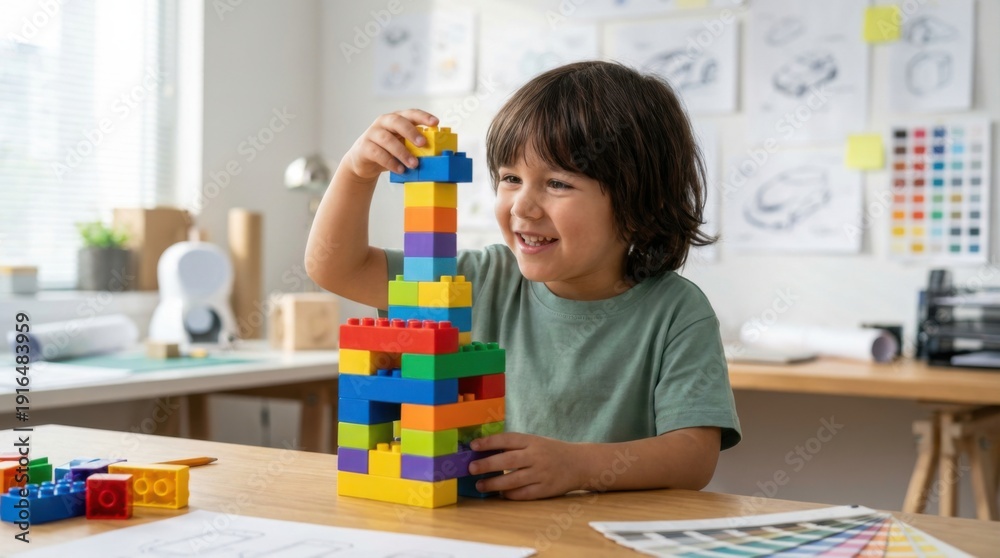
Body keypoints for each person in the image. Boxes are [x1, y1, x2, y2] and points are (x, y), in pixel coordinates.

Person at [306, 61, 740, 501]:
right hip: (488, 531)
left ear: (639, 205)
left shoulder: (676, 312)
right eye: (511, 179)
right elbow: (337, 266)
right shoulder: (478, 280)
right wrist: (356, 173)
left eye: (556, 183)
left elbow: (694, 456)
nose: (523, 207)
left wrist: (579, 466)